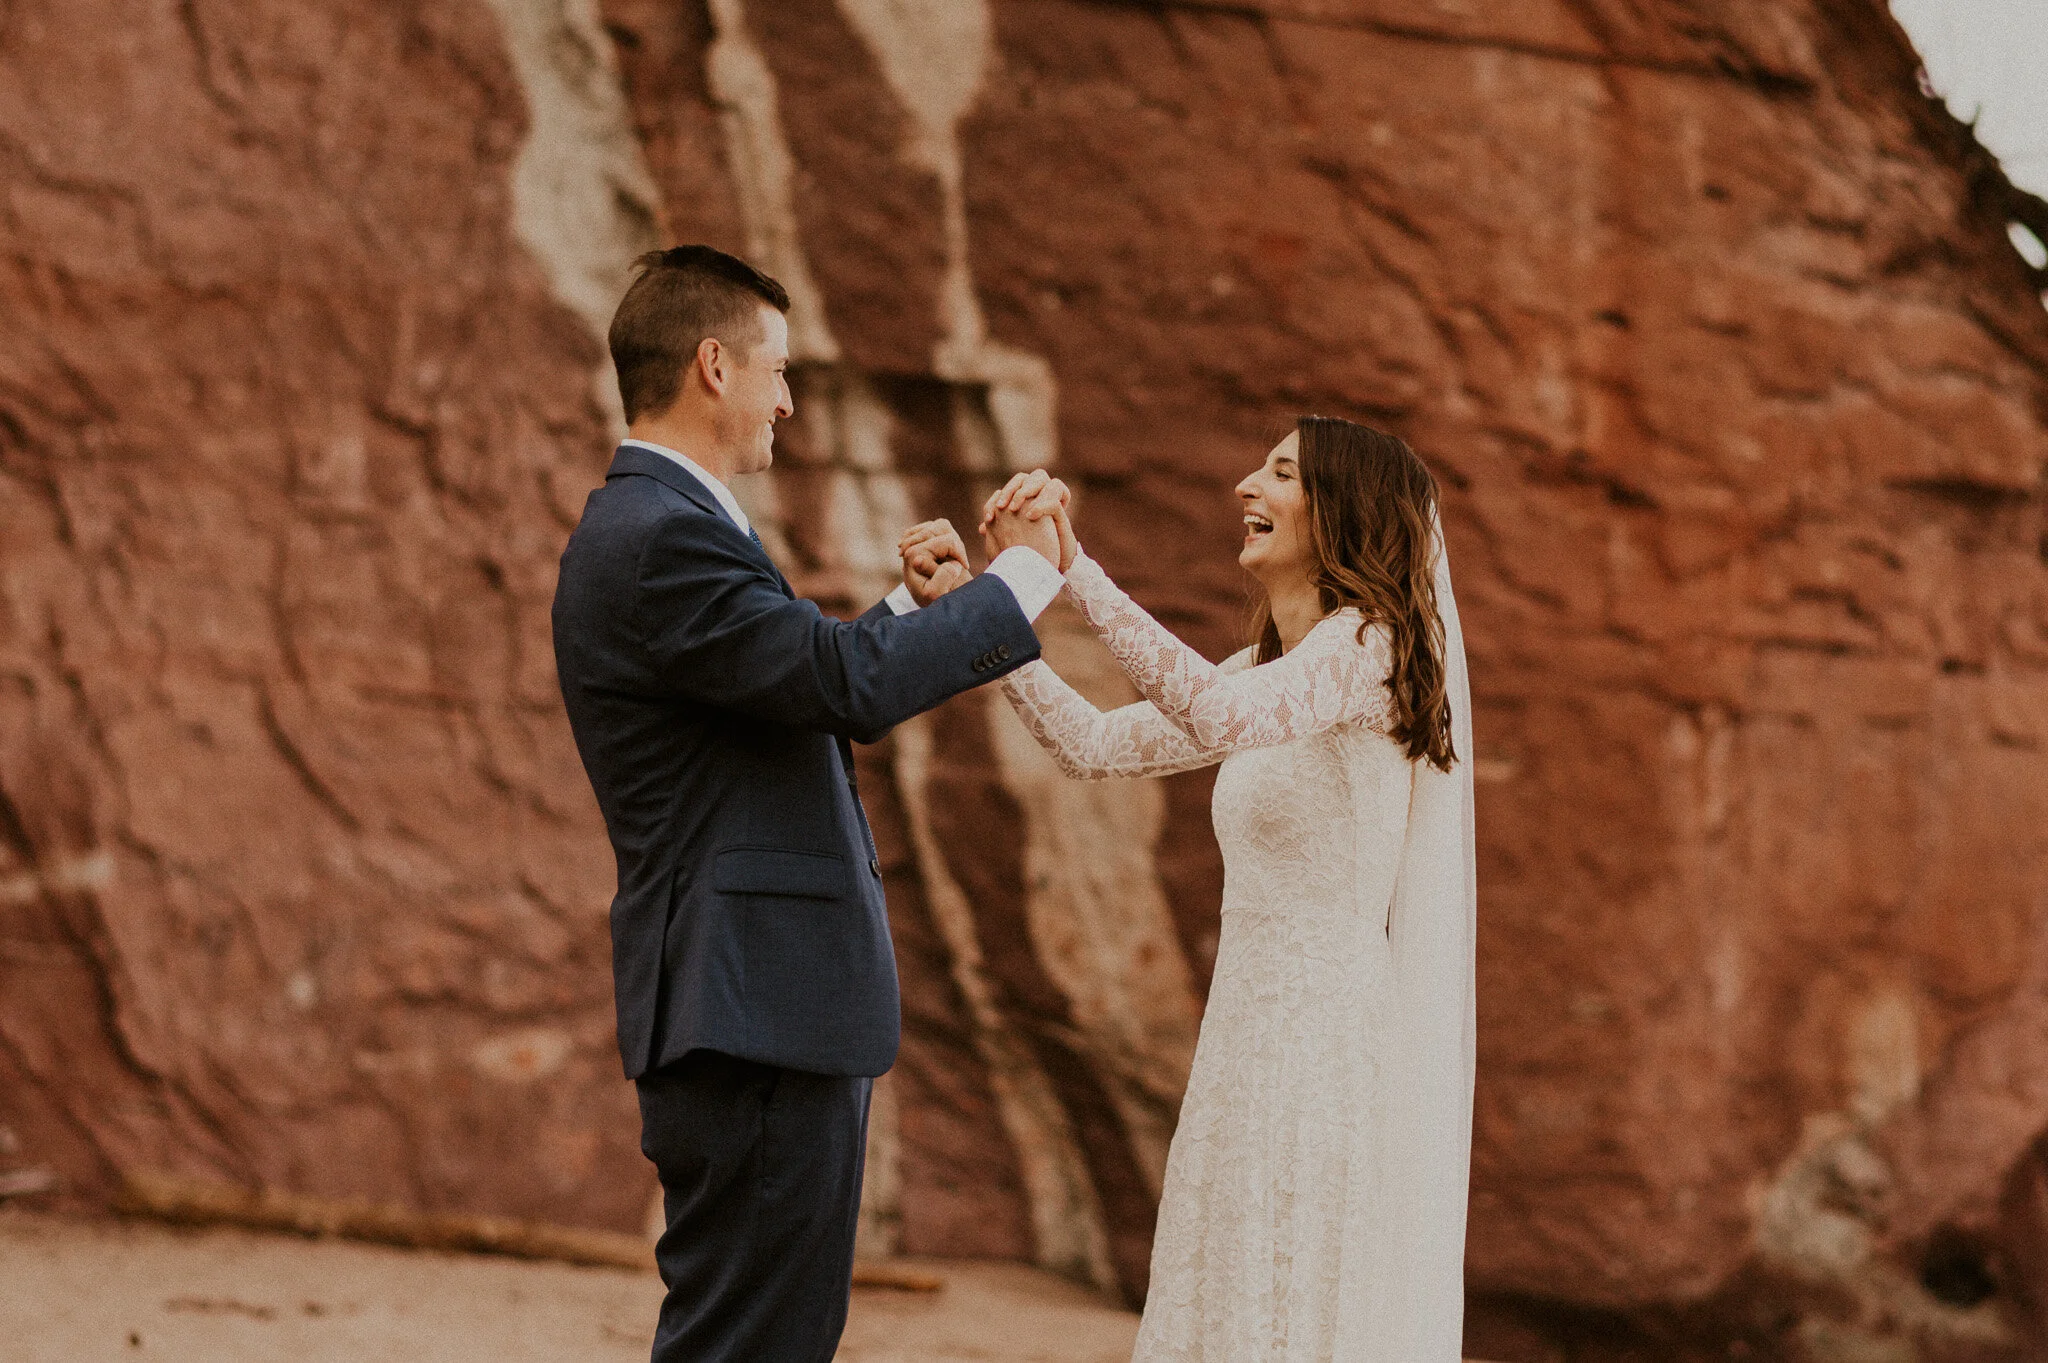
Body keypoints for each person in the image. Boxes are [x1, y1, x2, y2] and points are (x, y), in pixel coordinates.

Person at [550, 244, 1068, 1363]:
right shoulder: (660, 537)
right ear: (713, 367)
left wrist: (910, 607)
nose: (788, 398)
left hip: (748, 1001)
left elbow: (790, 682)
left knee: (756, 1338)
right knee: (753, 1343)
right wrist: (1024, 578)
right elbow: (842, 684)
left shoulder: (657, 527)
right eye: (778, 368)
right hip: (749, 1005)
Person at [916, 416, 1476, 1360]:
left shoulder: (1367, 649)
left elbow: (1216, 713)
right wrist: (977, 607)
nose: (1245, 485)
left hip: (1330, 1046)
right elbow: (1090, 747)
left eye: (1282, 472)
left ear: (1341, 512)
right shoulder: (1270, 672)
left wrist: (1071, 568)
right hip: (1246, 1040)